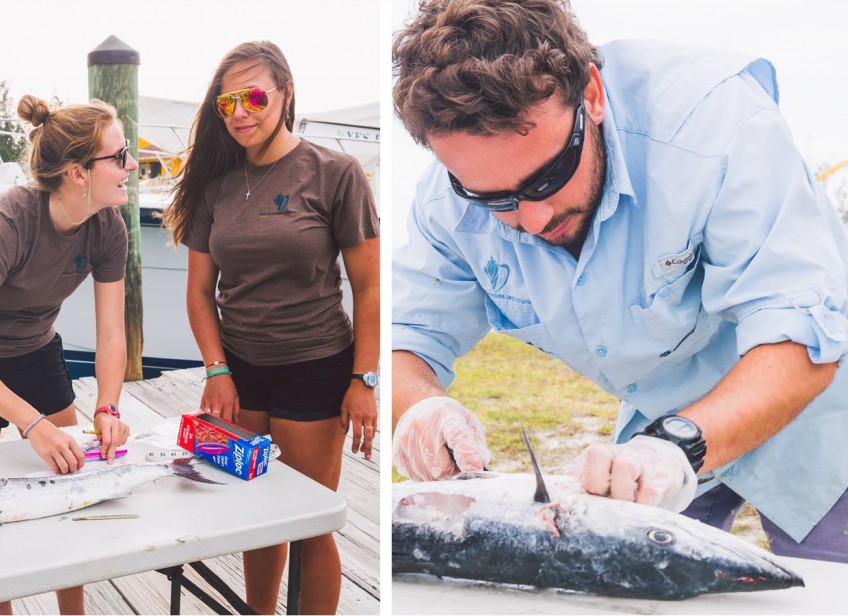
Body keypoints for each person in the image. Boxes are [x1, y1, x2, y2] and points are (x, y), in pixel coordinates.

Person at [391, 0, 848, 563]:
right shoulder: (445, 201)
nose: (532, 221)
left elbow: (798, 331)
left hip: (815, 408)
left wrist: (676, 446)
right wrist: (417, 407)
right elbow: (407, 339)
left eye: (548, 176)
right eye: (493, 199)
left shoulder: (717, 125)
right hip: (655, 427)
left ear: (592, 95)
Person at [165, 41, 379, 614]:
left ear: (285, 93)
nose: (239, 112)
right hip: (240, 374)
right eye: (227, 101)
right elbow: (198, 292)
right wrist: (217, 370)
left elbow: (370, 288)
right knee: (257, 518)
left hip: (316, 369)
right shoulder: (215, 186)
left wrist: (365, 378)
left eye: (254, 96)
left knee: (309, 522)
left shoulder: (336, 172)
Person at [0, 95, 134, 614]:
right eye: (120, 155)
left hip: (37, 347)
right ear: (77, 172)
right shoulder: (6, 224)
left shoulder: (108, 227)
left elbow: (111, 336)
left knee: (73, 483)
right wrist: (33, 424)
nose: (131, 166)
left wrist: (108, 407)